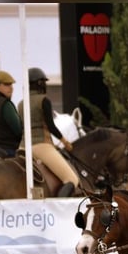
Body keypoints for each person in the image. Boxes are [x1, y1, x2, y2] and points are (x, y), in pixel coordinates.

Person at [18, 67, 78, 197]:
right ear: (40, 83)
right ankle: (58, 206)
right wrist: (65, 142)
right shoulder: (44, 100)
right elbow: (51, 126)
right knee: (72, 179)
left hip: (23, 147)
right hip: (41, 146)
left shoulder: (21, 104)